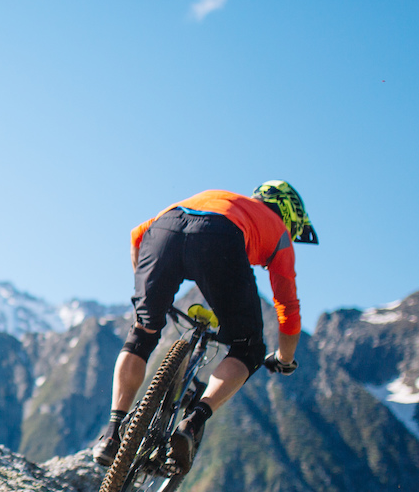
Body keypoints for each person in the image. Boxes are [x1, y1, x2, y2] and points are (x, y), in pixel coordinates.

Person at [93, 181, 318, 475]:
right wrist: (284, 359)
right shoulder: (278, 231)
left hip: (164, 229)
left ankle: (111, 435)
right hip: (220, 236)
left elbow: (138, 235)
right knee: (247, 349)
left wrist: (148, 299)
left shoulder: (221, 197)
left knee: (142, 333)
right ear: (289, 214)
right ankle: (192, 423)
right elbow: (287, 307)